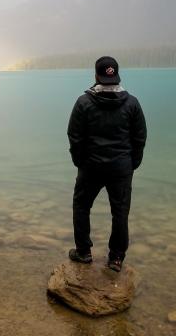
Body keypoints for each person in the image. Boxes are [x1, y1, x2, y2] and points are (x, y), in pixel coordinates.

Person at [67, 56, 147, 272]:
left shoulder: (84, 103)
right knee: (120, 212)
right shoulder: (132, 103)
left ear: (96, 75)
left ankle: (83, 252)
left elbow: (74, 137)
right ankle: (116, 258)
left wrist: (80, 162)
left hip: (91, 167)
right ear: (116, 75)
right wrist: (132, 164)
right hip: (121, 168)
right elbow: (140, 138)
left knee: (82, 206)